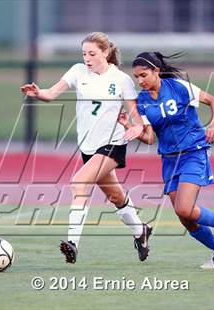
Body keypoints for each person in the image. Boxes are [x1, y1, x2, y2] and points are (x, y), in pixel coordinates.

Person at [20, 32, 152, 264]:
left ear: (106, 53)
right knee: (115, 196)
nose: (87, 58)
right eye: (84, 53)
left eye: (92, 53)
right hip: (88, 147)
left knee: (79, 182)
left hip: (113, 143)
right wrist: (38, 93)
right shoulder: (78, 71)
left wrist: (135, 128)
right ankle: (141, 231)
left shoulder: (121, 80)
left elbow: (135, 116)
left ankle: (73, 243)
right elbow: (51, 93)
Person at [118, 52, 214, 269]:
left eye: (143, 75)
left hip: (194, 152)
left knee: (184, 209)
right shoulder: (143, 102)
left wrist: (212, 125)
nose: (140, 81)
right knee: (185, 218)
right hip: (169, 159)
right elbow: (148, 138)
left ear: (156, 71)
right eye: (136, 77)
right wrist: (130, 127)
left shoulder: (178, 87)